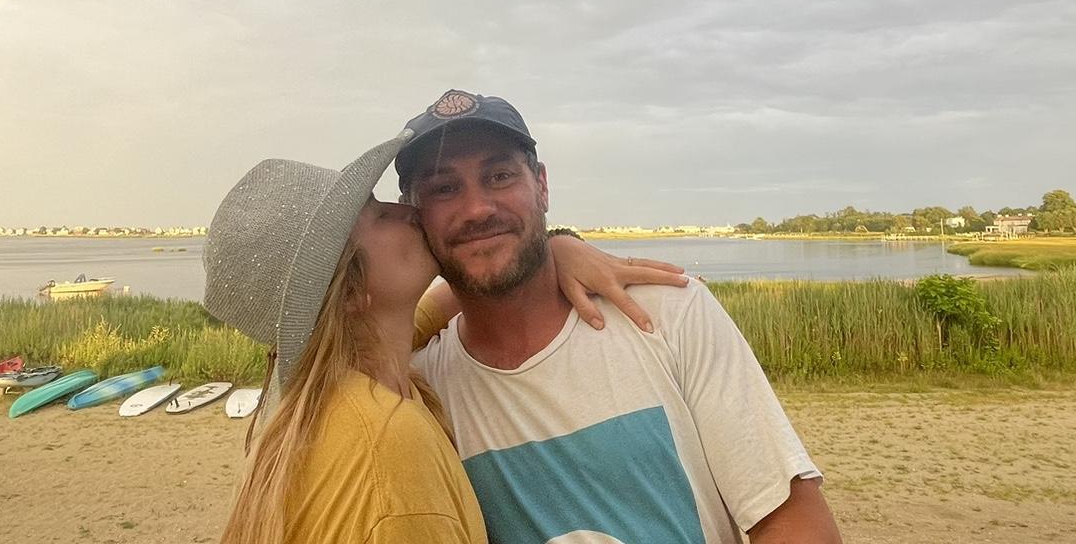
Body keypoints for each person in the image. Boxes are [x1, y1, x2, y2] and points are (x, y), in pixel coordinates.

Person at [396, 89, 845, 544]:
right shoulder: (416, 389)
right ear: (415, 218)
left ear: (542, 186)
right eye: (444, 188)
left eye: (499, 176)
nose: (477, 208)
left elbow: (793, 520)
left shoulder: (668, 313)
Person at [204, 131, 687, 544]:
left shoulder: (344, 388)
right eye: (378, 216)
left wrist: (555, 248)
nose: (407, 212)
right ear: (350, 292)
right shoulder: (390, 448)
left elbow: (442, 303)